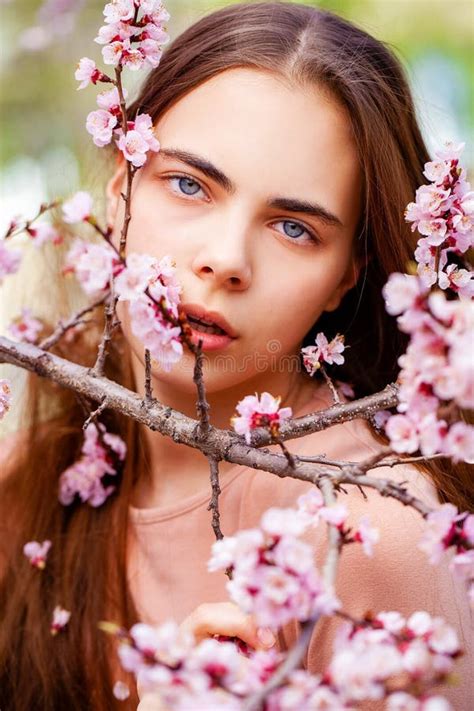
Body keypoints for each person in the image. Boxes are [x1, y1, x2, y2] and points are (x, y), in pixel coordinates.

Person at [0, 2, 472, 709]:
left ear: (350, 271)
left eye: (293, 227)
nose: (224, 260)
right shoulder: (32, 477)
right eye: (188, 184)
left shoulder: (369, 534)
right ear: (121, 183)